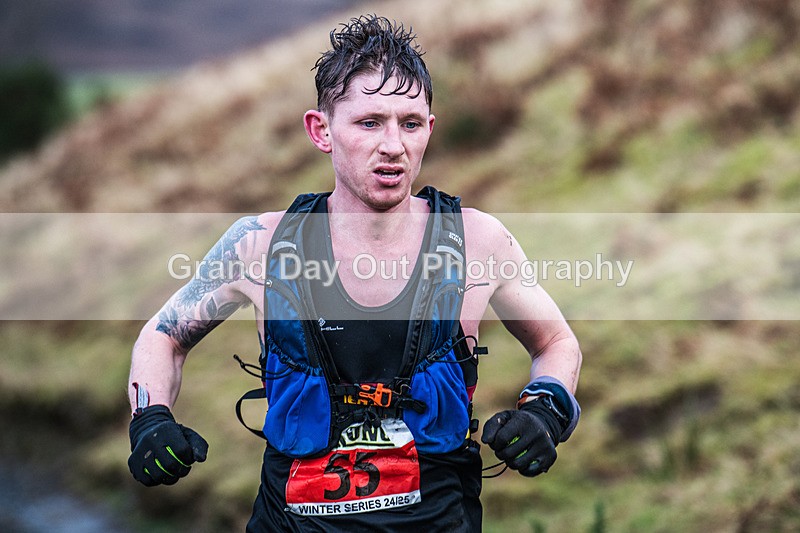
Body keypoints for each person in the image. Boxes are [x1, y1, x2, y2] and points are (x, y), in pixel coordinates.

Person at [127, 14, 582, 532]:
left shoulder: (477, 241)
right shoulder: (260, 244)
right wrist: (151, 419)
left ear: (429, 129)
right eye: (369, 122)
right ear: (321, 130)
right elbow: (162, 338)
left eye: (410, 123)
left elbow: (556, 342)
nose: (393, 145)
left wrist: (545, 410)